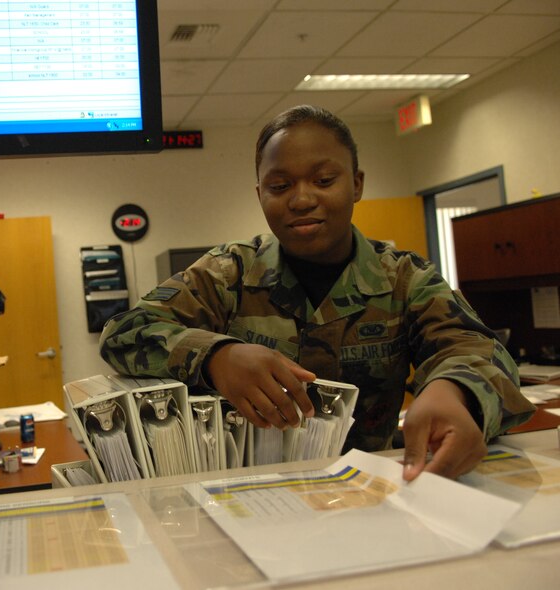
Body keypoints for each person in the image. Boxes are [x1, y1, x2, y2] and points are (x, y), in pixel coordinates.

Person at [99, 105, 534, 482]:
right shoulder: (227, 274)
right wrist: (216, 357)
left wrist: (454, 391)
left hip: (370, 490)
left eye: (324, 180)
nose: (302, 199)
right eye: (280, 186)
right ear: (260, 195)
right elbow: (124, 331)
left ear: (357, 184)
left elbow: (476, 349)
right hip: (251, 497)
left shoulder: (404, 279)